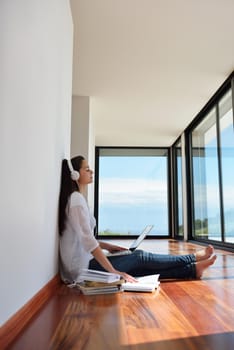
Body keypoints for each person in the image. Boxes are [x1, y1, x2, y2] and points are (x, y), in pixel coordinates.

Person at [58, 155, 216, 284]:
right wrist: (113, 271)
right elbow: (88, 241)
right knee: (140, 257)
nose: (91, 171)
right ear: (75, 175)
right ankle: (193, 258)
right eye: (87, 169)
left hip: (86, 263)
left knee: (139, 268)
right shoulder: (76, 200)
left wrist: (110, 247)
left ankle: (193, 270)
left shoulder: (78, 199)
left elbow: (87, 238)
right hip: (81, 269)